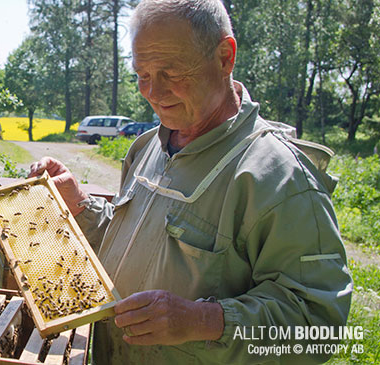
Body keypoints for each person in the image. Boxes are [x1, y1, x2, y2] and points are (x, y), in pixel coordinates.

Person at [28, 0, 352, 363]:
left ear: (225, 57)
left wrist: (204, 320)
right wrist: (81, 207)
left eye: (172, 71)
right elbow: (139, 248)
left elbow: (319, 325)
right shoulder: (148, 146)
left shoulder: (278, 176)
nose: (153, 91)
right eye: (142, 74)